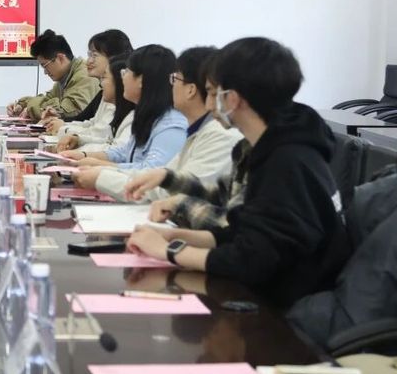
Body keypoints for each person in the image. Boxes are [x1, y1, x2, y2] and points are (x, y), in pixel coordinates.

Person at [126, 37, 348, 308]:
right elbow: (241, 230)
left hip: (287, 311)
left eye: (211, 93)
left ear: (231, 99)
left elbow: (251, 260)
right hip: (267, 294)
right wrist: (178, 237)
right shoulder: (267, 146)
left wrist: (168, 251)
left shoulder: (286, 162)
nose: (209, 105)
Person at [96, 47, 242, 200]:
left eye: (175, 79)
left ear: (191, 90)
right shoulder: (196, 129)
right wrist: (100, 170)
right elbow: (162, 177)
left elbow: (170, 190)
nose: (170, 85)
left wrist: (101, 176)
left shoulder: (216, 134)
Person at [62, 44, 187, 174]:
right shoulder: (147, 115)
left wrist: (100, 166)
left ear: (141, 80)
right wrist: (84, 156)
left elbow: (152, 171)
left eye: (126, 72)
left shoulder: (171, 125)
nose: (122, 78)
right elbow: (125, 152)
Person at [44, 29, 133, 137]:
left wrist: (64, 128)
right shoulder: (104, 92)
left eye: (94, 55)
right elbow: (89, 122)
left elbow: (101, 133)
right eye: (89, 55)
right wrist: (59, 120)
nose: (88, 61)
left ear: (114, 58)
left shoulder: (120, 95)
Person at [66, 56, 134, 186]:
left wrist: (87, 157)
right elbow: (114, 147)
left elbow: (124, 156)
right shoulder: (124, 111)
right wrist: (80, 147)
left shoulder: (137, 117)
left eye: (104, 78)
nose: (101, 84)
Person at [6, 29, 100, 121]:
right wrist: (22, 104)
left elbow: (67, 111)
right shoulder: (65, 77)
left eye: (45, 65)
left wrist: (31, 108)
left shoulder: (85, 76)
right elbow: (47, 99)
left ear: (60, 58)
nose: (45, 72)